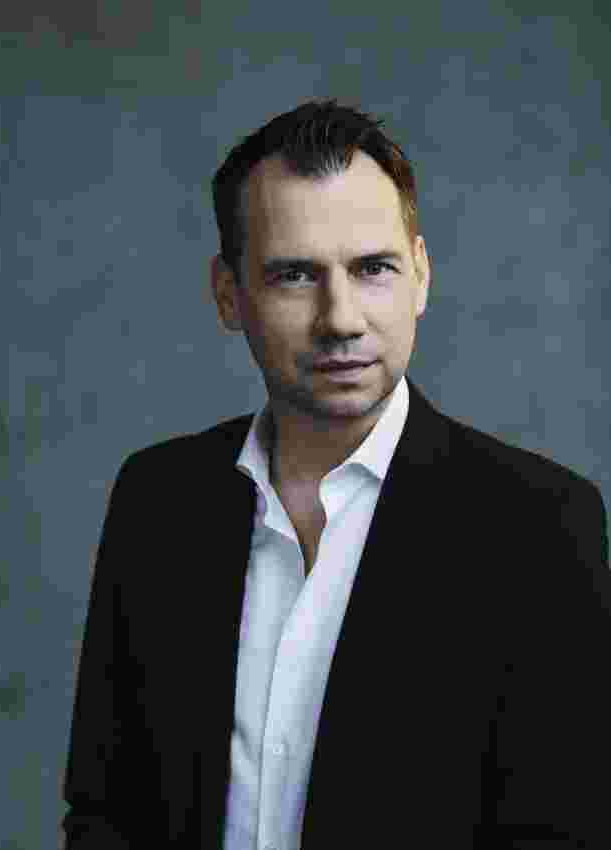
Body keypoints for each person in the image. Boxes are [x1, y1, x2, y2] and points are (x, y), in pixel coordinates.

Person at [61, 98, 611, 849]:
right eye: (295, 275)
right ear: (229, 294)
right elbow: (106, 813)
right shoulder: (159, 500)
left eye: (373, 268)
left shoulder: (540, 526)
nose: (341, 318)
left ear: (421, 275)